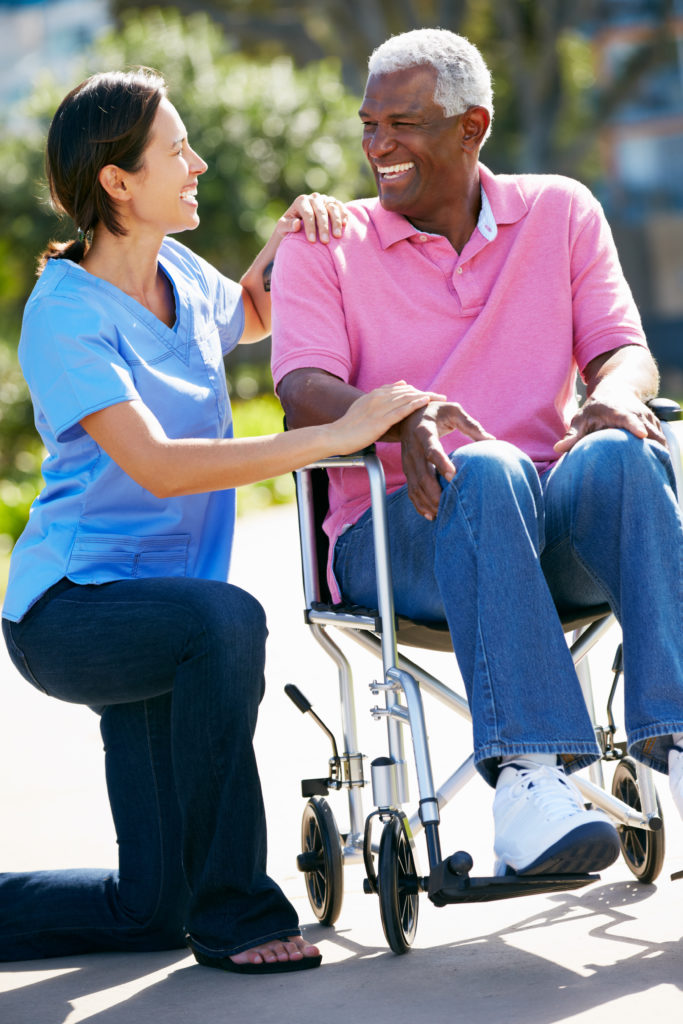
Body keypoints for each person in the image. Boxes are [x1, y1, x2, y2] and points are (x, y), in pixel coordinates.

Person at [0, 68, 439, 973]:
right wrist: (340, 434)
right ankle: (239, 911)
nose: (195, 163)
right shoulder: (65, 314)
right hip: (74, 613)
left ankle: (190, 905)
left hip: (164, 614)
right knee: (225, 619)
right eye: (176, 152)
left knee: (149, 910)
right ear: (118, 183)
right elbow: (158, 466)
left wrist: (300, 229)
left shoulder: (177, 272)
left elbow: (247, 311)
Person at [271, 28, 683, 880]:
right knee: (485, 467)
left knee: (624, 451)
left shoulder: (561, 210)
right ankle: (529, 782)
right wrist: (401, 415)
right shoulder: (326, 242)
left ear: (472, 128)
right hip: (396, 537)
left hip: (547, 527)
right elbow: (302, 387)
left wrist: (617, 392)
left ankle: (674, 742)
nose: (377, 145)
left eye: (404, 123)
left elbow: (620, 348)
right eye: (369, 124)